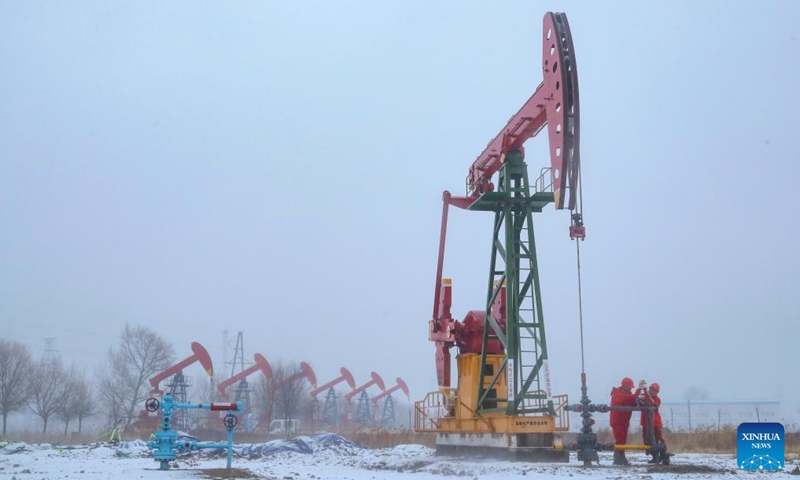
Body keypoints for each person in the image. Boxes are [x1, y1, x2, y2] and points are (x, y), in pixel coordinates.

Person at [610, 377, 640, 465]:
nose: (630, 389)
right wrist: (638, 391)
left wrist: (640, 400)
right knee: (619, 439)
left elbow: (633, 402)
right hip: (617, 420)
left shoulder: (628, 395)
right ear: (623, 386)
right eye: (629, 387)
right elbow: (625, 398)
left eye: (631, 388)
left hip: (625, 421)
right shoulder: (617, 393)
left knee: (623, 440)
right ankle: (618, 458)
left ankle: (621, 458)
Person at [639, 382, 667, 464]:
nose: (653, 392)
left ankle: (663, 455)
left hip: (656, 423)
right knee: (647, 439)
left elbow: (652, 404)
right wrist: (640, 394)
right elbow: (639, 401)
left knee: (659, 439)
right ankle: (654, 456)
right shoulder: (644, 396)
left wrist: (645, 392)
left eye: (655, 391)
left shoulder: (657, 400)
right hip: (646, 423)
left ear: (657, 392)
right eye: (651, 390)